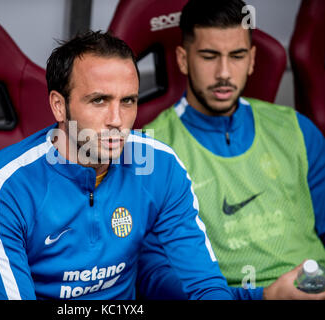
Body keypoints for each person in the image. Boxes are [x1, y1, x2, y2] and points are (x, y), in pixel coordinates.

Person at [0, 31, 233, 300]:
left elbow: (206, 285)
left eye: (128, 101)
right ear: (59, 106)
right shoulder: (4, 187)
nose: (117, 120)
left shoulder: (159, 165)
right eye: (99, 100)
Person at [138, 0, 325, 300]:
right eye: (209, 56)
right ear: (183, 60)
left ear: (252, 60)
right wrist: (264, 296)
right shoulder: (150, 151)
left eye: (236, 56)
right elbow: (152, 278)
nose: (224, 73)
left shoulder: (297, 130)